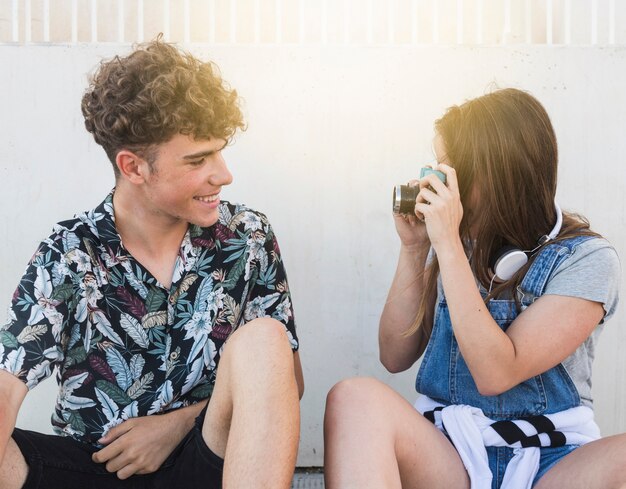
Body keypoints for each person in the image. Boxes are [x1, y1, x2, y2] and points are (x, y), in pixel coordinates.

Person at [0, 38, 304, 489]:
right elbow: (7, 385)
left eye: (219, 151)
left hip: (207, 462)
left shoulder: (247, 236)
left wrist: (177, 425)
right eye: (198, 159)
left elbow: (285, 384)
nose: (223, 174)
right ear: (134, 167)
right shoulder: (70, 252)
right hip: (98, 468)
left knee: (265, 339)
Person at [323, 88, 625, 488]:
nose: (435, 180)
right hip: (451, 455)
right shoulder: (453, 243)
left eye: (447, 168)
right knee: (354, 398)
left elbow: (497, 373)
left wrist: (447, 245)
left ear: (490, 175)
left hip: (551, 460)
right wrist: (416, 249)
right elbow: (394, 355)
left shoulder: (586, 259)